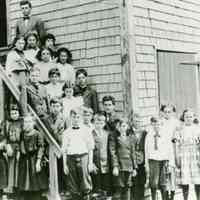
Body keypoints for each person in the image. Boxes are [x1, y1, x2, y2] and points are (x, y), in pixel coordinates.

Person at [62, 107, 94, 200]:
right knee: (72, 183)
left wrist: (90, 163)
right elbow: (64, 150)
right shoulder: (66, 132)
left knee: (85, 181)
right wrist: (65, 165)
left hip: (83, 157)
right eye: (74, 117)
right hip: (70, 158)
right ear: (70, 118)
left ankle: (86, 196)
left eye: (78, 117)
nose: (76, 119)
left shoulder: (86, 130)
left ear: (81, 118)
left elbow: (90, 148)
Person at [18, 114, 48, 200]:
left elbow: (41, 147)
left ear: (33, 123)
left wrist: (38, 161)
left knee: (35, 180)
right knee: (25, 180)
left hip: (34, 159)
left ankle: (36, 196)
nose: (27, 124)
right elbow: (20, 143)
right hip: (24, 160)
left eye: (29, 122)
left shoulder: (37, 134)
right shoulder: (22, 133)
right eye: (25, 122)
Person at [145, 116, 175, 200]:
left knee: (163, 182)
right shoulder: (149, 135)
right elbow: (146, 150)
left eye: (159, 124)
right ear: (152, 125)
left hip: (164, 160)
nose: (157, 126)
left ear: (162, 125)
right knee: (153, 182)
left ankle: (164, 198)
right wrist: (146, 164)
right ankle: (154, 197)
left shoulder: (165, 135)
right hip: (153, 160)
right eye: (154, 124)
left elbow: (170, 150)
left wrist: (170, 163)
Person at [173, 109, 200, 200]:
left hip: (195, 155)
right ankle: (185, 198)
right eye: (187, 117)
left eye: (191, 116)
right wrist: (177, 157)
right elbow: (175, 141)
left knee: (198, 179)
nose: (189, 118)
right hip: (184, 155)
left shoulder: (197, 128)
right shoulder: (179, 128)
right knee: (185, 180)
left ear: (194, 117)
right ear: (183, 118)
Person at [43, 98, 67, 193]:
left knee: (61, 167)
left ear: (61, 107)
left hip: (61, 146)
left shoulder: (65, 118)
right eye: (53, 106)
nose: (55, 108)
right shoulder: (46, 119)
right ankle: (51, 188)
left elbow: (68, 133)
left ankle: (62, 188)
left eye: (57, 106)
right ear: (50, 107)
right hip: (49, 147)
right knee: (50, 169)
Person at [109, 117, 137, 200]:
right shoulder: (114, 138)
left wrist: (134, 168)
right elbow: (113, 152)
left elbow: (133, 153)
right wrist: (115, 166)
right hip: (119, 166)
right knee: (119, 187)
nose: (122, 128)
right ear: (118, 127)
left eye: (124, 126)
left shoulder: (130, 138)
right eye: (121, 126)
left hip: (129, 166)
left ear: (127, 127)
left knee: (128, 186)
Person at [2, 104, 22, 200]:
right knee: (11, 169)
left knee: (18, 169)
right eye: (12, 113)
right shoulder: (7, 123)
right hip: (10, 148)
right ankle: (10, 191)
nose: (14, 115)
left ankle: (19, 191)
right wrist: (7, 146)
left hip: (19, 148)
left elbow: (22, 138)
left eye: (16, 113)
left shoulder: (21, 123)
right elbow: (5, 137)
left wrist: (20, 151)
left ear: (19, 113)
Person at [91, 112, 112, 199]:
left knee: (106, 186)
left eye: (101, 123)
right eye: (97, 123)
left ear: (104, 123)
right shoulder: (90, 134)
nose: (99, 125)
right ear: (93, 122)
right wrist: (91, 163)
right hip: (95, 164)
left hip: (106, 164)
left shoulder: (107, 133)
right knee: (96, 187)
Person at [129, 112, 147, 200]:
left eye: (139, 121)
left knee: (142, 182)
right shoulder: (128, 132)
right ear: (132, 121)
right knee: (134, 182)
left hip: (142, 160)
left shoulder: (145, 133)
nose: (137, 123)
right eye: (135, 121)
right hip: (132, 160)